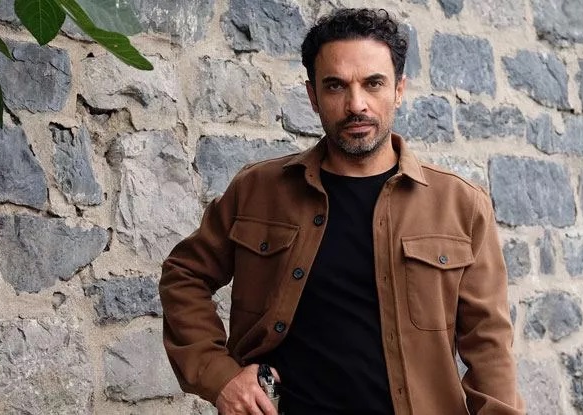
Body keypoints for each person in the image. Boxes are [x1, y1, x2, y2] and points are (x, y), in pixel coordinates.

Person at [160, 8, 523, 415]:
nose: (356, 105)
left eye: (373, 83)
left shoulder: (461, 205)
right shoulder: (257, 190)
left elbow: (489, 347)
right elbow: (184, 275)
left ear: (399, 90)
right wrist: (221, 377)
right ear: (313, 96)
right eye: (335, 86)